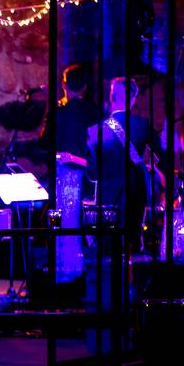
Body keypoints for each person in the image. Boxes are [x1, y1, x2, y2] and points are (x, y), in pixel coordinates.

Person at [85, 75, 164, 252]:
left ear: (111, 97)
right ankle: (132, 276)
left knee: (106, 245)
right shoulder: (144, 126)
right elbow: (158, 158)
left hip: (107, 195)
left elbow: (92, 172)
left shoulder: (94, 130)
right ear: (134, 99)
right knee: (133, 242)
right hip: (135, 191)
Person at [49, 62, 103, 160]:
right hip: (85, 168)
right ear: (85, 87)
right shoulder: (94, 110)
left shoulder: (57, 110)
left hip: (60, 167)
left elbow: (45, 142)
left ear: (63, 84)